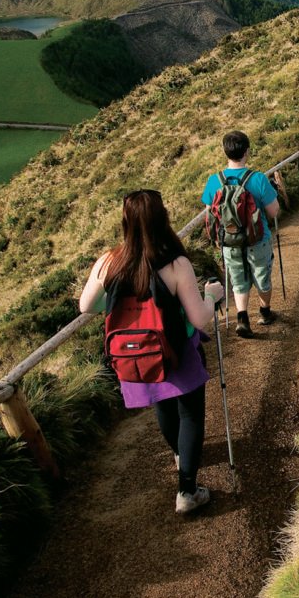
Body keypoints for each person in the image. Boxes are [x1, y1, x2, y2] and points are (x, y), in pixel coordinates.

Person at [79, 189, 225, 515]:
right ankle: (187, 490)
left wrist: (121, 307)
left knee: (163, 404)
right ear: (163, 218)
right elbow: (201, 318)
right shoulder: (175, 264)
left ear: (125, 221)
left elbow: (85, 305)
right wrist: (211, 295)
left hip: (135, 354)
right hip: (176, 350)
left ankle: (178, 456)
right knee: (190, 414)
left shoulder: (108, 261)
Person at [201, 129, 285, 339]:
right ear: (247, 151)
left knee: (238, 281)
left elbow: (209, 214)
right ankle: (265, 313)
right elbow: (274, 211)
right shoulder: (257, 179)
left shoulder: (214, 181)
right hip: (257, 239)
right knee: (262, 276)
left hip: (229, 242)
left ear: (225, 152)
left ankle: (242, 318)